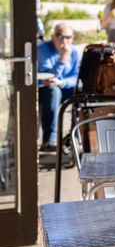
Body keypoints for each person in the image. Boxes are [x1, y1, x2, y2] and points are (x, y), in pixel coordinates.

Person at [38, 23, 80, 151]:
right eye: (60, 36)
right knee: (53, 91)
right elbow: (46, 77)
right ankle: (50, 140)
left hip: (64, 86)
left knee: (81, 93)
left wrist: (62, 82)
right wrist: (62, 59)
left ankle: (74, 136)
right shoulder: (43, 49)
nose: (64, 41)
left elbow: (76, 77)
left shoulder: (74, 52)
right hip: (44, 90)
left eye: (68, 37)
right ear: (53, 36)